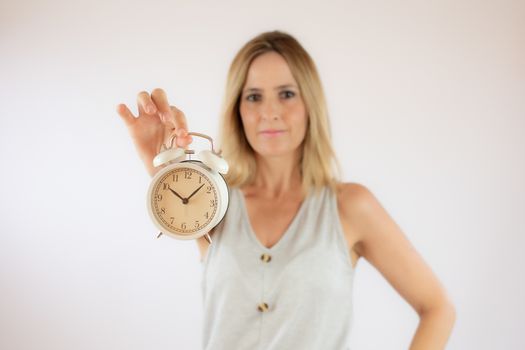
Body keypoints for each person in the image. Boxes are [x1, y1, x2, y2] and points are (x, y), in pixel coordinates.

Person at [117, 30, 456, 350]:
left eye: (286, 94)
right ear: (238, 109)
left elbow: (437, 307)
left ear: (311, 103)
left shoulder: (350, 206)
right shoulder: (214, 203)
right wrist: (161, 169)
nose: (269, 112)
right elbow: (178, 207)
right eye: (253, 96)